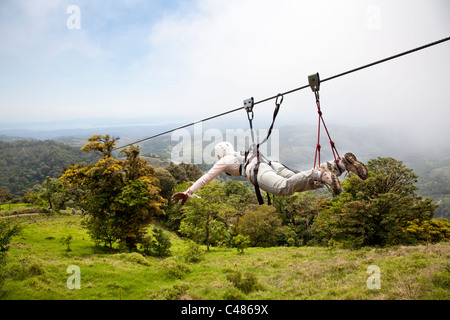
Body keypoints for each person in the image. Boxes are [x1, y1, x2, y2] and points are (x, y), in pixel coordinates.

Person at [172, 142, 368, 205]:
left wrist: (189, 192)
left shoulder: (225, 160)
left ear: (219, 155)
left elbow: (207, 177)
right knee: (295, 184)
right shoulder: (239, 154)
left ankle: (320, 173)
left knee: (284, 189)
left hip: (258, 170)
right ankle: (341, 164)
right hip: (270, 163)